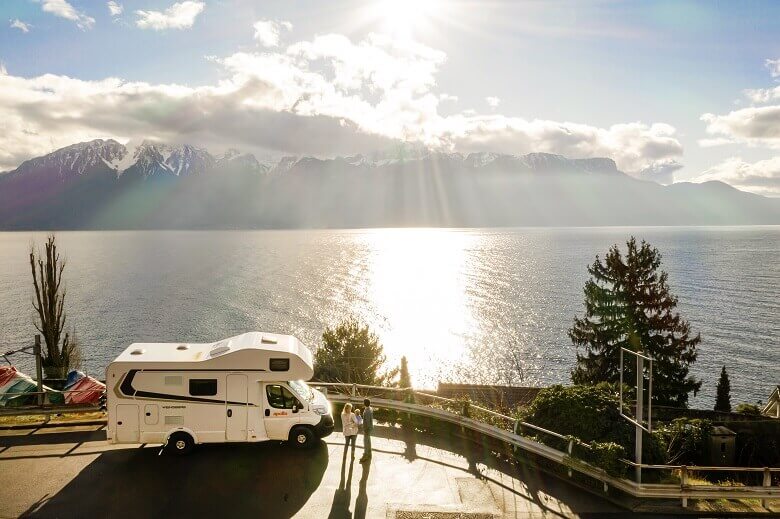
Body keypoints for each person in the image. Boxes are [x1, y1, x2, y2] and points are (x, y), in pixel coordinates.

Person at [359, 398, 373, 462]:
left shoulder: (366, 411)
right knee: (368, 440)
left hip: (367, 428)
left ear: (364, 403)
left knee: (365, 442)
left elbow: (367, 421)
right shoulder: (370, 409)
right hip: (370, 428)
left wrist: (366, 429)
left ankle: (366, 455)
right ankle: (369, 453)